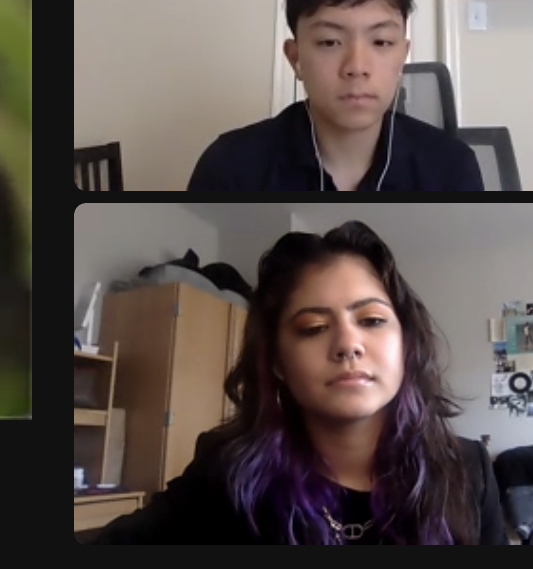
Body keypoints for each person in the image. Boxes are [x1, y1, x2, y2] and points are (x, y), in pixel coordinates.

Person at [88, 220, 508, 542]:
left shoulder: (468, 472)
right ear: (277, 363)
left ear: (406, 346)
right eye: (313, 327)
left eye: (373, 320)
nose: (348, 344)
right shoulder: (229, 474)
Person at [185, 0, 485, 192]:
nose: (356, 67)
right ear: (295, 58)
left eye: (380, 42)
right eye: (330, 42)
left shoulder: (452, 167)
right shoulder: (230, 166)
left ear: (403, 56)